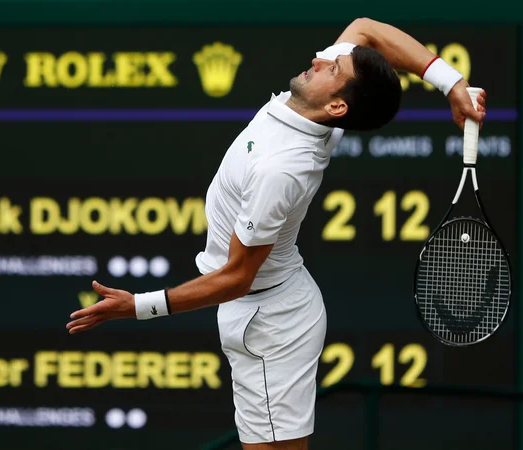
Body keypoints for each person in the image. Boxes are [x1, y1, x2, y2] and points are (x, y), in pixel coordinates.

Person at [66, 18, 486, 450]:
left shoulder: (282, 169)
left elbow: (236, 277)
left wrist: (139, 306)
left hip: (270, 327)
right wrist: (451, 82)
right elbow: (365, 29)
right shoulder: (316, 107)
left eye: (332, 69)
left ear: (338, 106)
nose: (319, 59)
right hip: (264, 311)